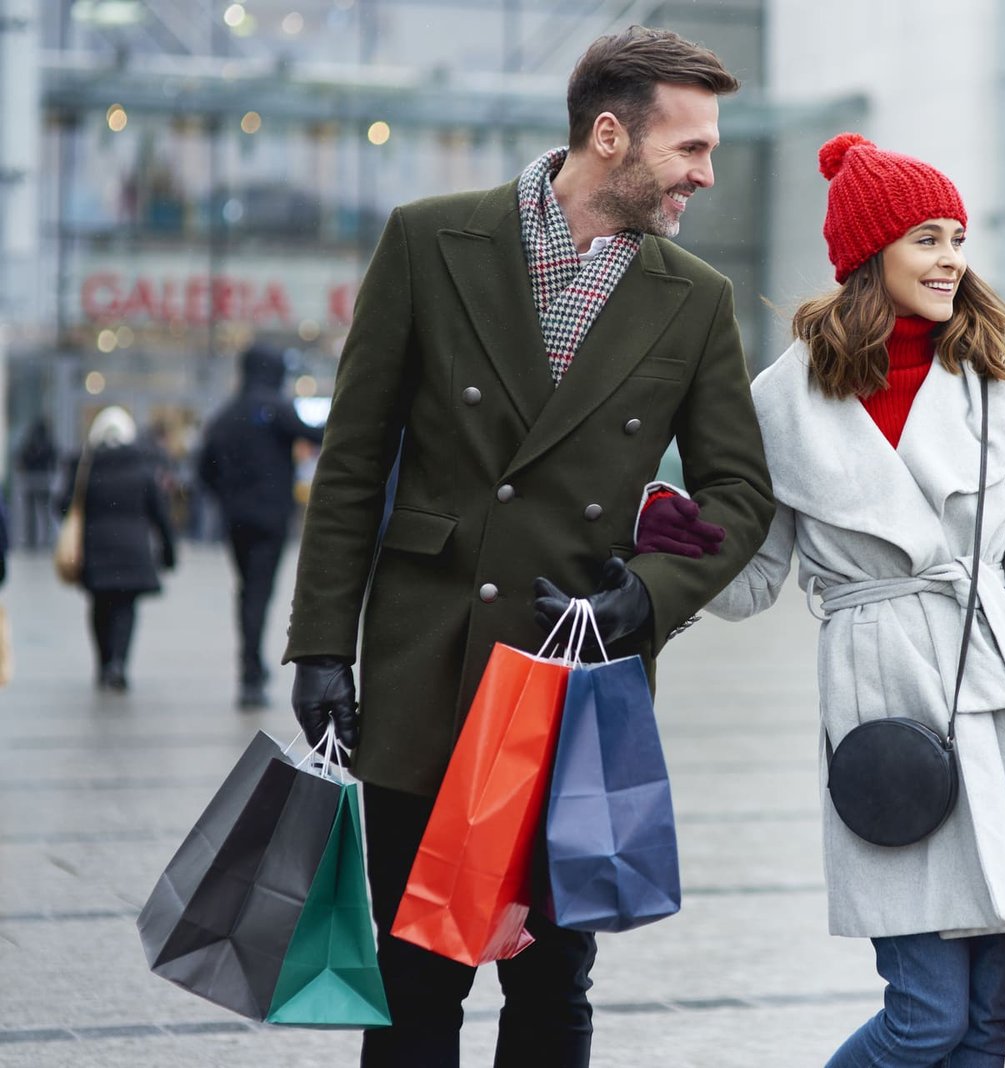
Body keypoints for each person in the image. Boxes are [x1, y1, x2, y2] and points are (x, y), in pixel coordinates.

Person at [281, 26, 774, 1068]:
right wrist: (321, 645)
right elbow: (354, 462)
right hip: (426, 667)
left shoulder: (697, 298)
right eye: (689, 148)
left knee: (552, 988)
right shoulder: (429, 241)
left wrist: (648, 596)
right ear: (610, 136)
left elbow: (739, 494)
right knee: (414, 982)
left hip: (572, 688)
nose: (705, 174)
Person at [637, 134, 1005, 1067]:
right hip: (885, 719)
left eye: (957, 239)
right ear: (870, 254)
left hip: (1003, 710)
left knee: (983, 1029)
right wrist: (680, 543)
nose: (951, 260)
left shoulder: (1000, 384)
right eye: (927, 240)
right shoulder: (783, 401)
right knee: (925, 1018)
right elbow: (757, 582)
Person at [198, 343, 325, 709]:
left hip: (237, 519)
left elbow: (204, 469)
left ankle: (250, 665)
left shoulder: (226, 414)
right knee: (258, 591)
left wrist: (227, 496)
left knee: (247, 589)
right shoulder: (276, 408)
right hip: (270, 518)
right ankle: (251, 671)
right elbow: (316, 435)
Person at [61, 407, 177, 692]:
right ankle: (119, 663)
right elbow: (160, 514)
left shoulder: (86, 468)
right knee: (126, 608)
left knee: (99, 607)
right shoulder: (143, 469)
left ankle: (104, 663)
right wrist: (169, 552)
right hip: (132, 551)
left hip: (95, 549)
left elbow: (64, 505)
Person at [17, 418, 58, 549]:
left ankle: (31, 540)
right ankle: (45, 540)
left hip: (31, 479)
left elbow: (21, 459)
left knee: (31, 514)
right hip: (43, 479)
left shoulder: (30, 442)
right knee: (44, 512)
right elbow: (54, 459)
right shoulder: (47, 441)